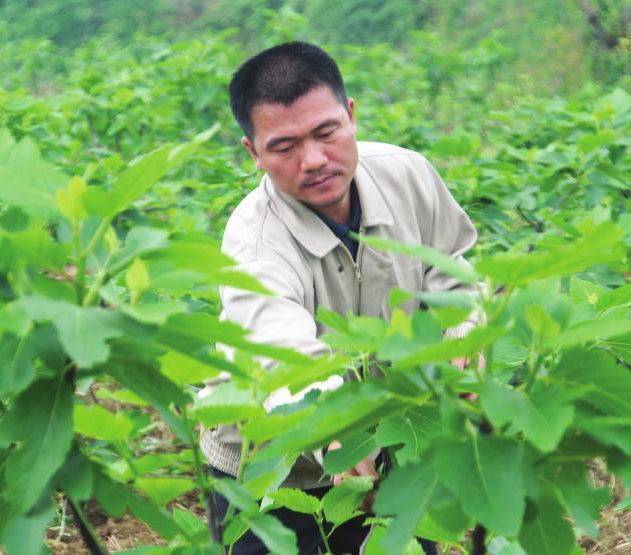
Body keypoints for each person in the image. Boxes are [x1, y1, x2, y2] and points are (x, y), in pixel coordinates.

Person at [201, 41, 478, 554]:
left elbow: (454, 275)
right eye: (284, 147)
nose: (314, 160)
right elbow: (280, 358)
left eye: (326, 132)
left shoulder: (407, 175)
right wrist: (336, 431)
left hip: (397, 445)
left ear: (350, 115)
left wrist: (462, 349)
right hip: (276, 474)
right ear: (252, 153)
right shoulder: (254, 241)